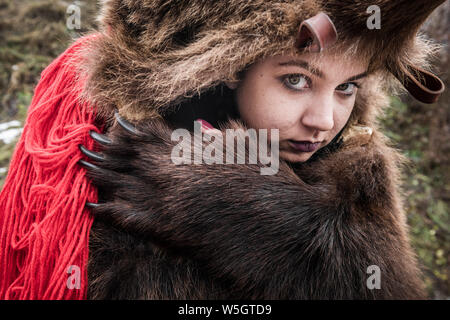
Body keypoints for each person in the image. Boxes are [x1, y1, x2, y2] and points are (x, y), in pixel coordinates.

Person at [0, 0, 446, 300]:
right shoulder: (113, 144)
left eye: (348, 87)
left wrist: (250, 212)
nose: (324, 121)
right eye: (295, 80)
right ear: (231, 69)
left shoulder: (354, 179)